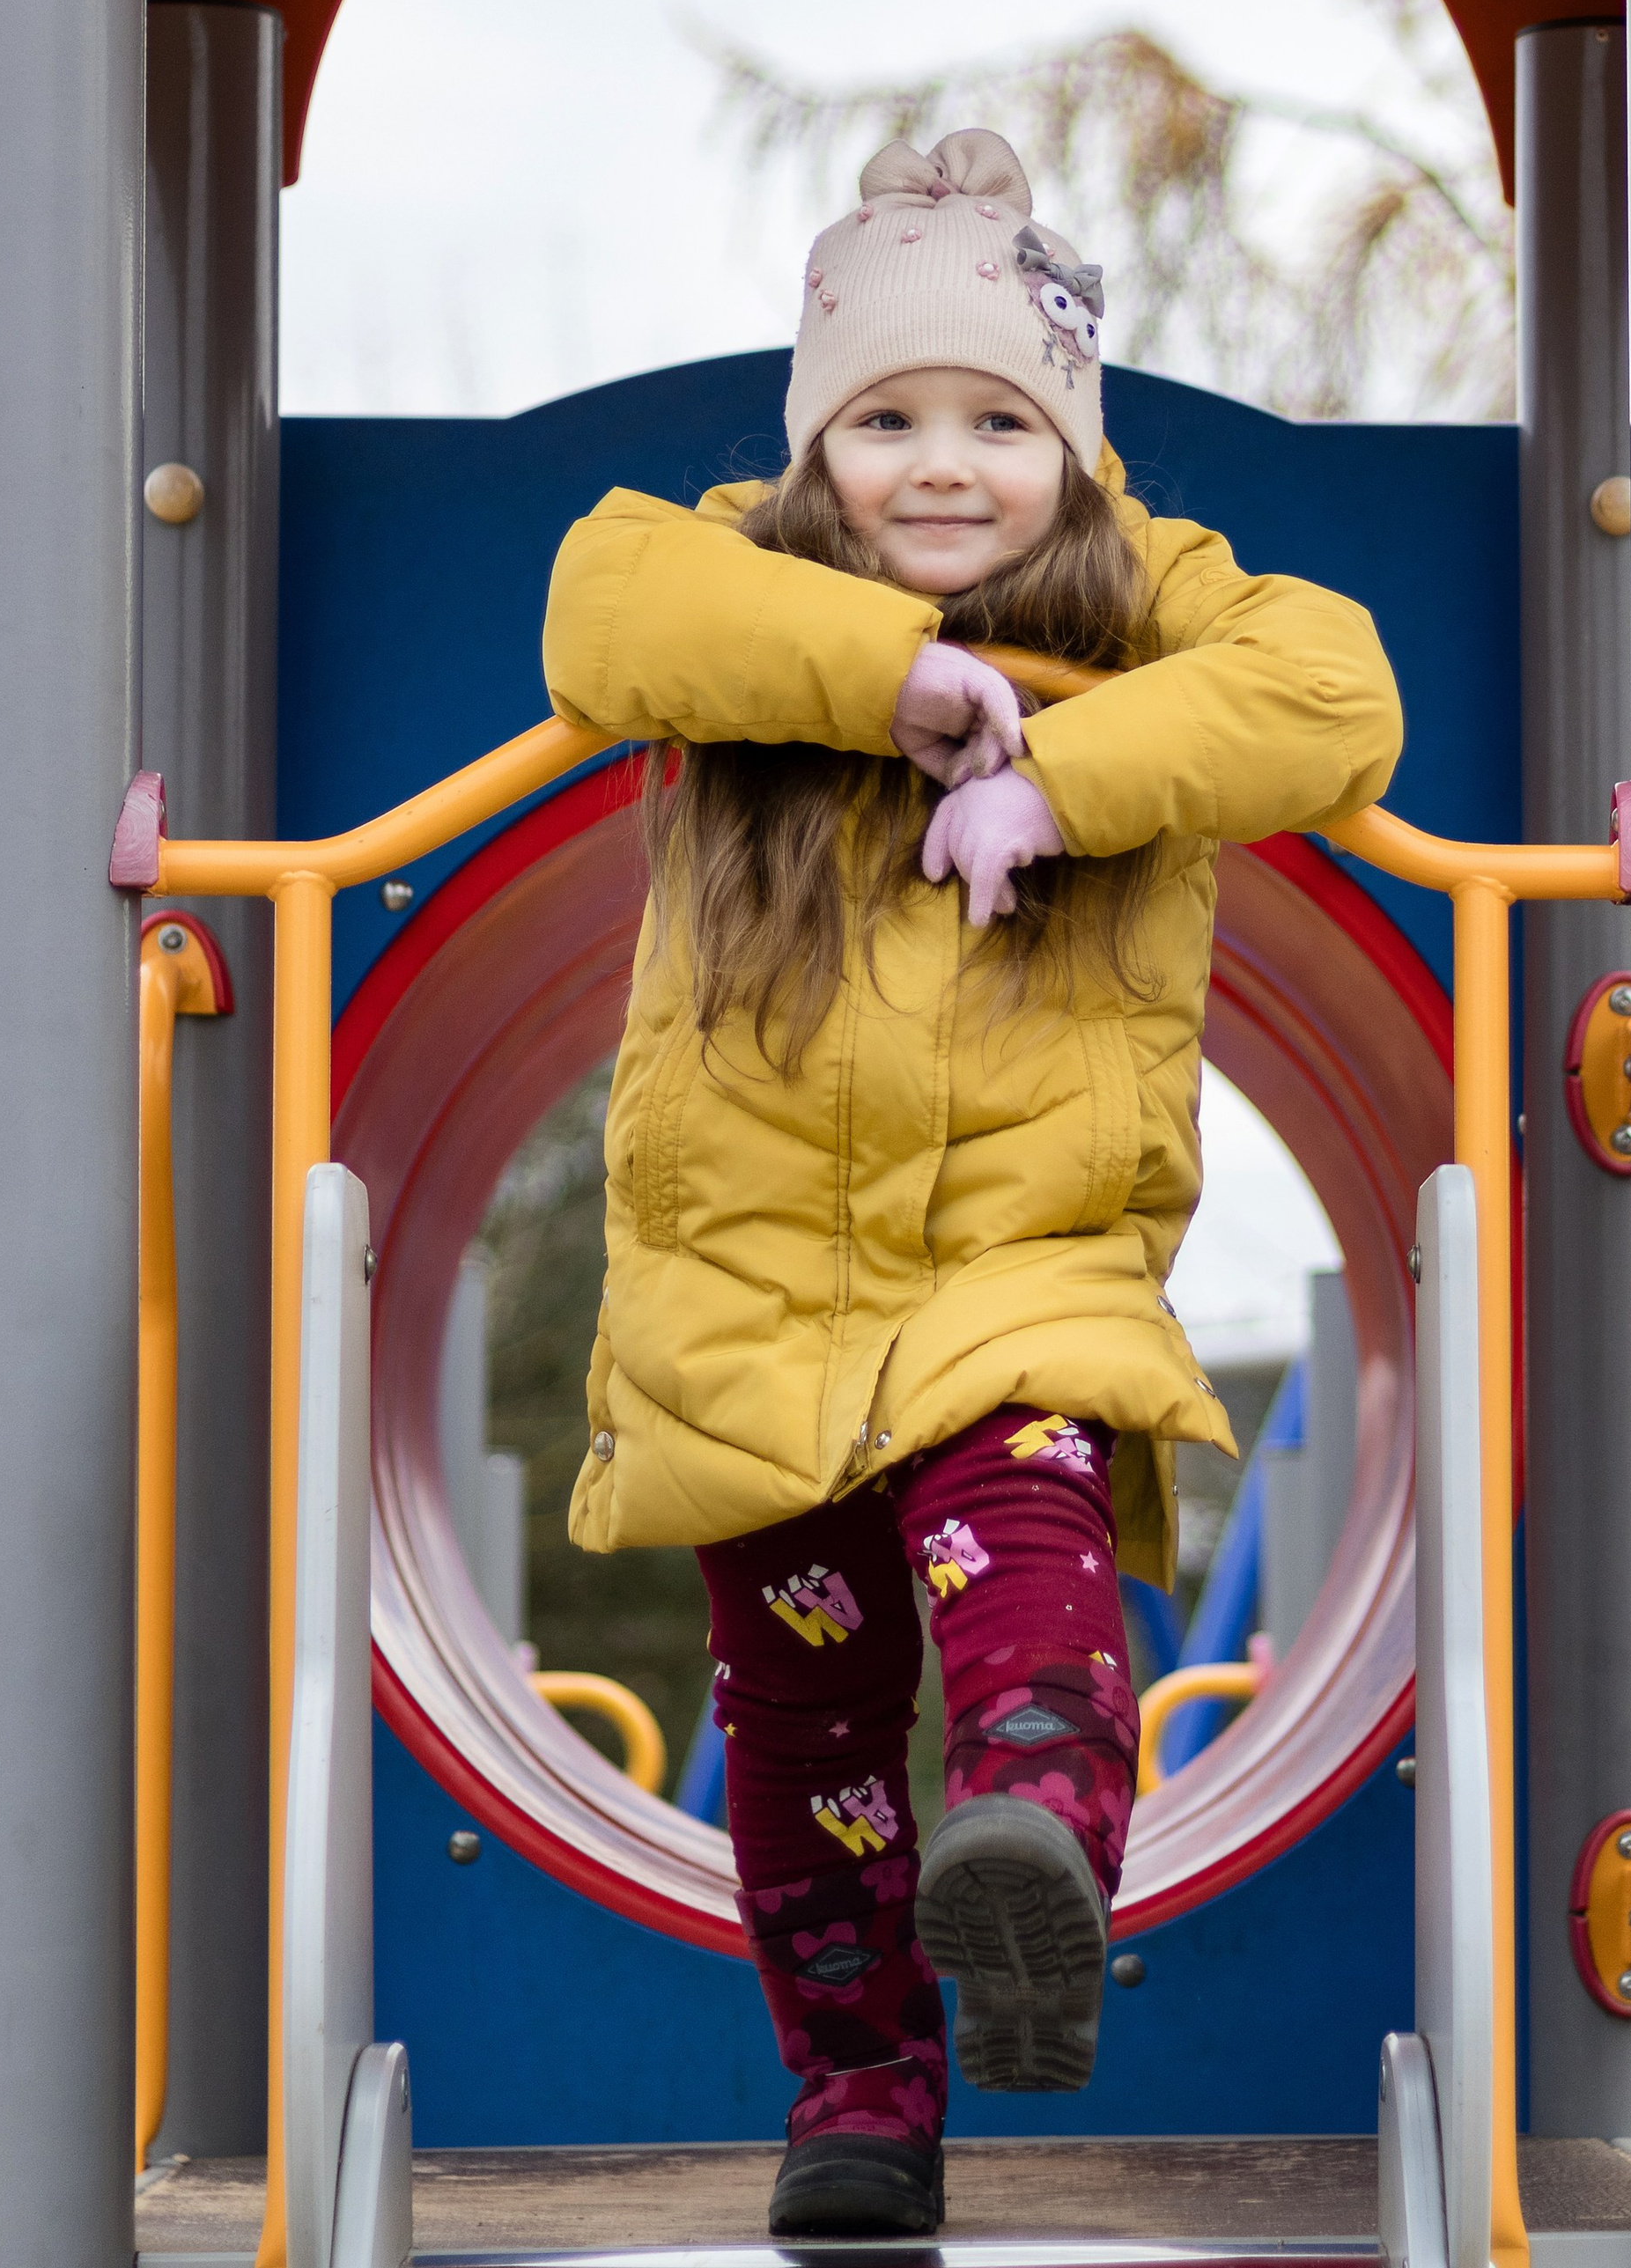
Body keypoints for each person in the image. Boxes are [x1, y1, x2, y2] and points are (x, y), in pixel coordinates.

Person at [541, 129, 1401, 2236]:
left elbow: (1336, 691)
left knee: (1031, 1605)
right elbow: (594, 600)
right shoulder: (730, 595)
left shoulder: (1143, 600)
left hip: (1025, 1273)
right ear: (812, 449)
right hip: (745, 1305)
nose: (944, 465)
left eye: (1002, 421)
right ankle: (858, 2104)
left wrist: (1059, 775)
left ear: (1073, 447)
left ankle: (1028, 1853)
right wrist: (896, 681)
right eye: (887, 419)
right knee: (804, 1744)